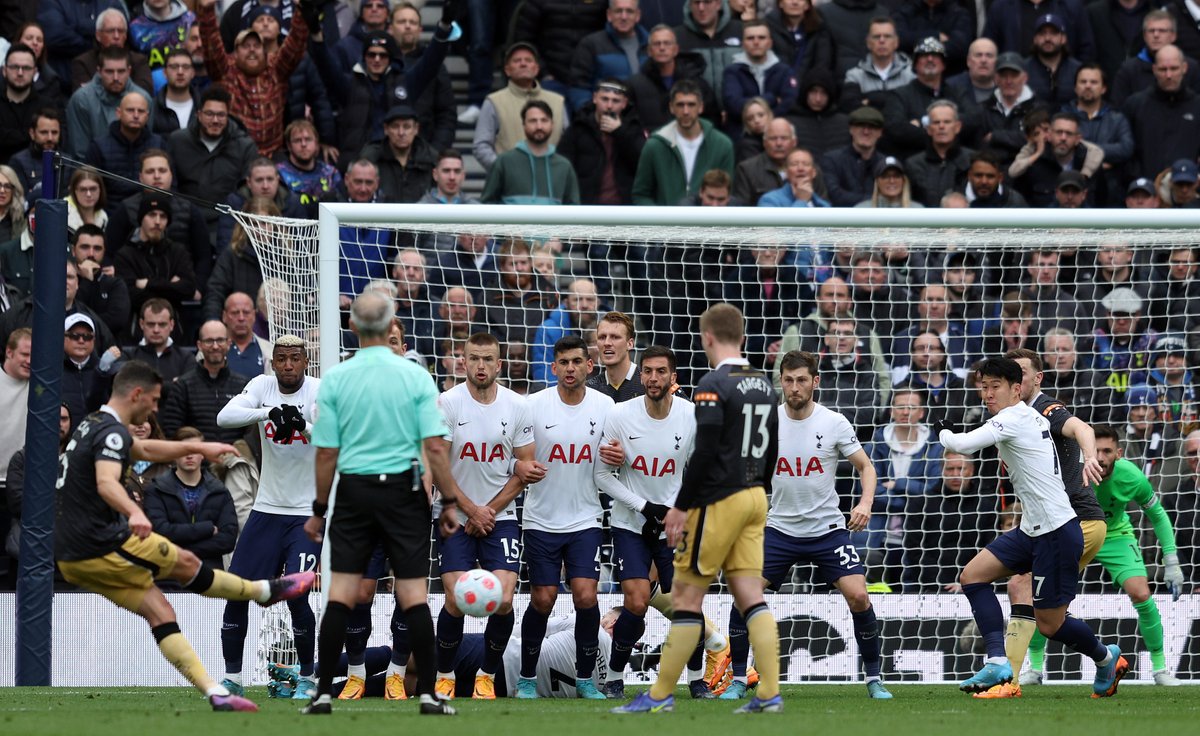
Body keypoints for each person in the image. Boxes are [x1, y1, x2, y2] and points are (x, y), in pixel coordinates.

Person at [54, 360, 315, 712]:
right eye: (154, 400)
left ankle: (216, 693)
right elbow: (105, 482)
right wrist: (132, 511)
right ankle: (264, 591)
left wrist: (202, 448)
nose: (155, 409)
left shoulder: (92, 423)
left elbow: (146, 450)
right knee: (187, 564)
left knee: (160, 611)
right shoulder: (112, 433)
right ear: (137, 394)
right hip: (100, 542)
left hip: (70, 554)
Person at [300, 291, 465, 715]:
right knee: (412, 594)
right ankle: (428, 695)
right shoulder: (414, 376)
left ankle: (321, 694)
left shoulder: (337, 378)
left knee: (341, 593)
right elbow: (433, 447)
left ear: (352, 326)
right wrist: (448, 502)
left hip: (354, 491)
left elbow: (325, 453)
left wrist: (319, 510)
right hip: (403, 493)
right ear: (392, 323)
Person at [613, 303, 781, 715]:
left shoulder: (711, 384)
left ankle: (658, 696)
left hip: (721, 498)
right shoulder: (763, 383)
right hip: (757, 497)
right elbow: (773, 446)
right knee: (750, 595)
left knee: (685, 599)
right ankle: (770, 694)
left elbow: (704, 451)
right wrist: (761, 492)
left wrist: (682, 506)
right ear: (741, 337)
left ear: (708, 338)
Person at [939, 357, 1127, 699]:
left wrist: (942, 430)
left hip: (1057, 532)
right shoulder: (1020, 416)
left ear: (1016, 389)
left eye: (995, 387)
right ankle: (997, 660)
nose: (987, 394)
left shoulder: (1013, 418)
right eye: (983, 387)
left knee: (1050, 624)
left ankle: (1105, 657)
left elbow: (960, 446)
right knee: (972, 576)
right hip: (1031, 529)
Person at [722, 350, 890, 699]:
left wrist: (865, 502)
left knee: (859, 595)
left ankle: (874, 679)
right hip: (779, 529)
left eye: (801, 380)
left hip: (827, 530)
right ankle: (739, 679)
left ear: (815, 382)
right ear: (779, 382)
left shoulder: (834, 422)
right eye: (788, 380)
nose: (794, 387)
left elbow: (866, 467)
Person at [1023, 425, 1185, 688]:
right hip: (1074, 533)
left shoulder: (1131, 476)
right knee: (1044, 597)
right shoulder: (1070, 473)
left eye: (1107, 451)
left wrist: (1171, 560)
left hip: (1115, 535)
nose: (1099, 457)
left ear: (1118, 453)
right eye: (1095, 450)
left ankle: (1160, 668)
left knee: (1142, 594)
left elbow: (1157, 515)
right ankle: (1036, 668)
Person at [433, 332, 540, 700]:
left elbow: (525, 469)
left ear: (499, 364)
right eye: (473, 359)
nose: (480, 366)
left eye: (487, 360)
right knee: (456, 597)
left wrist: (488, 510)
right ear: (463, 361)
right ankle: (444, 674)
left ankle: (486, 675)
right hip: (453, 513)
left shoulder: (517, 406)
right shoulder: (447, 403)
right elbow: (439, 466)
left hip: (500, 516)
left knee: (505, 598)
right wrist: (469, 509)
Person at [212, 334, 320, 698]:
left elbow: (337, 440)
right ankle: (233, 679)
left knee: (297, 596)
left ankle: (307, 677)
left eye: (295, 358)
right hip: (267, 509)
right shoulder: (262, 386)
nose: (288, 365)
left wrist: (302, 425)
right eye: (282, 359)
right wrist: (268, 412)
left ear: (306, 361)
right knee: (237, 591)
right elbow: (225, 417)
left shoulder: (320, 392)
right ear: (272, 363)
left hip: (306, 515)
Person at [594, 346, 700, 698]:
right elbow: (602, 476)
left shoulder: (691, 415)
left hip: (673, 523)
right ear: (641, 377)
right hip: (631, 522)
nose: (654, 378)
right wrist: (645, 506)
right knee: (636, 602)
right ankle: (613, 676)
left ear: (674, 379)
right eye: (648, 372)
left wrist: (678, 510)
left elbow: (701, 472)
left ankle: (697, 679)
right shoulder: (619, 415)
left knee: (687, 603)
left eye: (661, 372)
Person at [517, 335, 616, 700]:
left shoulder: (605, 406)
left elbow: (619, 449)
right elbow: (514, 452)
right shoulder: (533, 406)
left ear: (589, 367)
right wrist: (521, 465)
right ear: (553, 367)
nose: (570, 368)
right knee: (542, 598)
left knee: (586, 596)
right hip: (541, 519)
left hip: (585, 519)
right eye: (564, 363)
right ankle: (527, 677)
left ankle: (586, 678)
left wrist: (618, 455)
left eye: (577, 361)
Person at [143, 426, 239, 572]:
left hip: (208, 574)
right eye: (184, 451)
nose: (189, 456)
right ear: (174, 454)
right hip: (168, 575)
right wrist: (206, 528)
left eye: (195, 451)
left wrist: (181, 550)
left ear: (203, 454)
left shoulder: (219, 491)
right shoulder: (156, 489)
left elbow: (228, 540)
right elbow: (159, 532)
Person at [632, 79, 735, 205]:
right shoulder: (655, 145)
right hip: (665, 222)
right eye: (680, 105)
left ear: (701, 107)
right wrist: (659, 220)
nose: (686, 111)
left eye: (691, 105)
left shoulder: (722, 145)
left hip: (707, 221)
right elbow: (641, 193)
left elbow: (727, 192)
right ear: (671, 107)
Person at [472, 42, 568, 171]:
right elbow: (481, 145)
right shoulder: (494, 101)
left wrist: (558, 171)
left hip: (551, 182)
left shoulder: (558, 101)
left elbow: (569, 143)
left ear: (536, 68)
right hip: (509, 187)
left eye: (528, 60)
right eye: (517, 61)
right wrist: (503, 170)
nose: (523, 64)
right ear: (507, 70)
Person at [159, 320, 249, 441]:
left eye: (220, 340)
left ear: (229, 343)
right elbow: (172, 431)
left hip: (235, 457)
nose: (215, 346)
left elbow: (250, 432)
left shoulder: (244, 386)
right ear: (199, 345)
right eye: (209, 341)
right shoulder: (183, 386)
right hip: (196, 457)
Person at [481, 100, 582, 205]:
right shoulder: (504, 162)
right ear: (524, 125)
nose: (539, 126)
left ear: (552, 124)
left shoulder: (564, 166)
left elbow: (573, 209)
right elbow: (487, 204)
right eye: (533, 121)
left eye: (544, 120)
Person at [65, 47, 152, 160]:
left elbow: (148, 146)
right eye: (109, 71)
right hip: (92, 172)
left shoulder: (143, 99)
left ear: (129, 71)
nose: (116, 78)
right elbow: (79, 153)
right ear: (99, 71)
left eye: (121, 71)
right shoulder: (81, 100)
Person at [819, 105, 885, 207]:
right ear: (851, 129)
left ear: (880, 133)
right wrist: (873, 201)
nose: (866, 132)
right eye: (861, 126)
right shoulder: (832, 160)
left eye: (872, 127)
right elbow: (834, 195)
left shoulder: (885, 163)